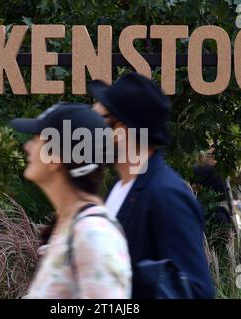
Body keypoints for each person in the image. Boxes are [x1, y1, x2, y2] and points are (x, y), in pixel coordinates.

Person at [88, 72, 215, 298]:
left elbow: (196, 291)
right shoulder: (119, 189)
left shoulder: (167, 194)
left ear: (121, 130)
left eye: (97, 122)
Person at [11, 102, 131, 299]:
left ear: (56, 157)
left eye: (36, 139)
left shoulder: (93, 233)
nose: (27, 146)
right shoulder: (69, 227)